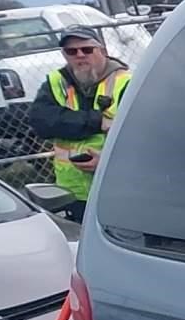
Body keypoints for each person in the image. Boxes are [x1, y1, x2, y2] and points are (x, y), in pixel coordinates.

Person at [30, 27, 132, 205]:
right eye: (71, 51)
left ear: (101, 50)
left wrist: (107, 163)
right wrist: (97, 121)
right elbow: (42, 122)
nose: (79, 55)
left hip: (117, 187)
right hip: (72, 193)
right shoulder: (56, 82)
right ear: (64, 55)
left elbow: (140, 133)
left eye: (86, 49)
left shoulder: (125, 82)